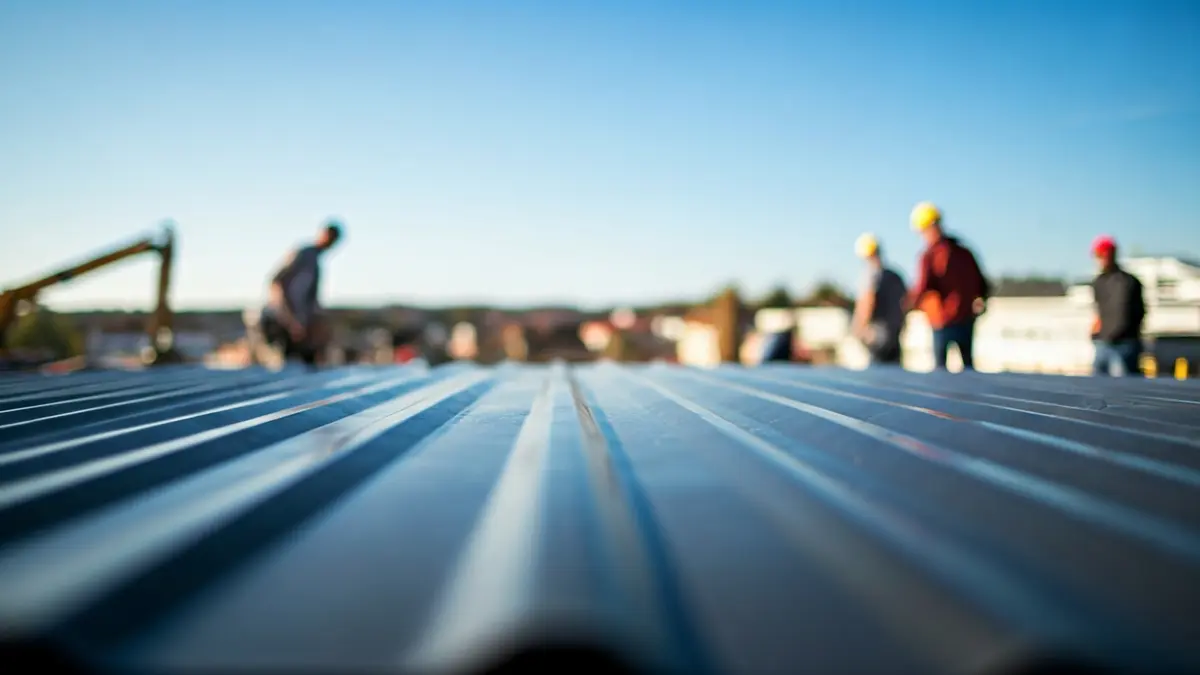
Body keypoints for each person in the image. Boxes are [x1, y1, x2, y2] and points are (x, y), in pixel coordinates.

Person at [905, 202, 990, 371]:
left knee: (940, 373)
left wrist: (908, 306)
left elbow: (922, 286)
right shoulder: (964, 252)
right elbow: (983, 284)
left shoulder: (930, 255)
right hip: (965, 318)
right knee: (968, 369)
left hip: (942, 320)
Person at [260, 220, 343, 366]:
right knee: (286, 367)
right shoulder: (303, 254)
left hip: (299, 323)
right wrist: (289, 318)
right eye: (329, 237)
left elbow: (311, 299)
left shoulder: (316, 262)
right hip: (282, 321)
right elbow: (277, 282)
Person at [1090, 235, 1145, 376]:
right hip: (1103, 344)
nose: (1099, 259)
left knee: (1125, 390)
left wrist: (1116, 334)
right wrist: (1096, 329)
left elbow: (1130, 313)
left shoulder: (1128, 282)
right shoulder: (1099, 282)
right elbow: (1100, 311)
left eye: (1101, 255)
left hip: (1124, 344)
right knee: (1097, 387)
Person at [850, 233, 908, 366]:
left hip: (876, 333)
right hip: (894, 333)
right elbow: (905, 303)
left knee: (877, 374)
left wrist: (860, 327)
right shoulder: (896, 276)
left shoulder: (871, 274)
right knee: (894, 372)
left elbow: (868, 301)